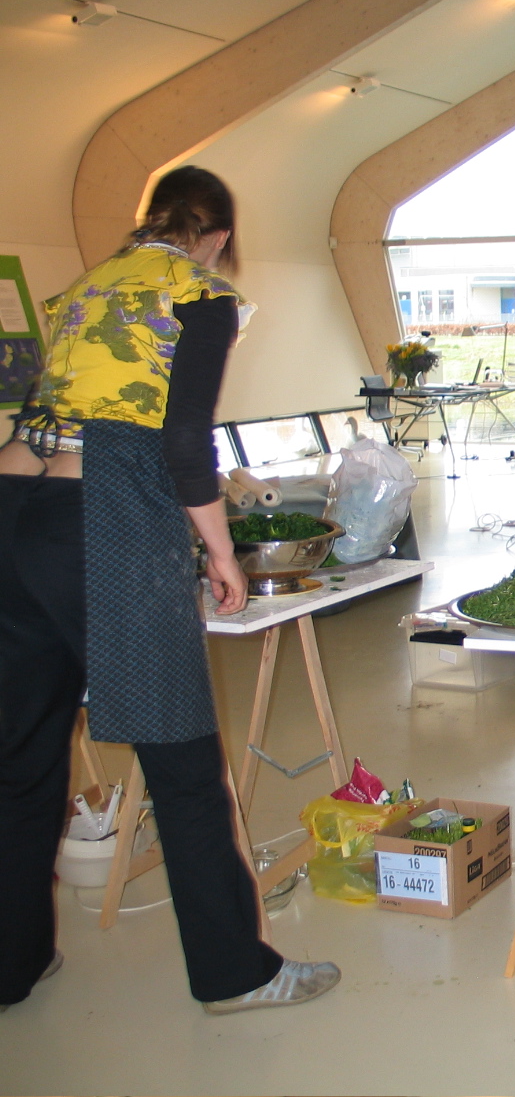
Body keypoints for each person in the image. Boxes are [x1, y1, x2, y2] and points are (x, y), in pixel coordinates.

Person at [0, 167, 340, 1014]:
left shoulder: (85, 287)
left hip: (11, 510)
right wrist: (222, 554)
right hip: (104, 519)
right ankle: (235, 972)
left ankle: (12, 961)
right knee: (184, 763)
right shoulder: (200, 294)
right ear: (218, 237)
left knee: (20, 758)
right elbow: (186, 443)